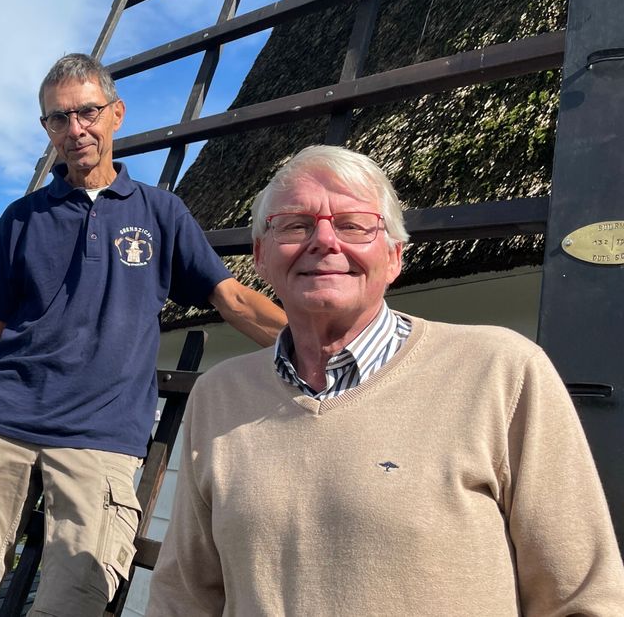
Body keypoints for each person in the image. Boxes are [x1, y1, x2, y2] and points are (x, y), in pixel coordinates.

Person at [148, 145, 624, 614]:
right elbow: (183, 596)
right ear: (260, 256)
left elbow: (582, 597)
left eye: (353, 225)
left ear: (395, 256)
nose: (324, 241)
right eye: (295, 225)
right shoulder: (219, 394)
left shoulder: (501, 371)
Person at [0, 53, 287, 617]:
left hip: (101, 435)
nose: (74, 130)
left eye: (86, 112)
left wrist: (327, 347)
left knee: (73, 605)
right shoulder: (20, 218)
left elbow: (232, 298)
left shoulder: (161, 213)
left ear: (115, 113)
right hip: (1, 427)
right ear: (47, 129)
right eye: (57, 119)